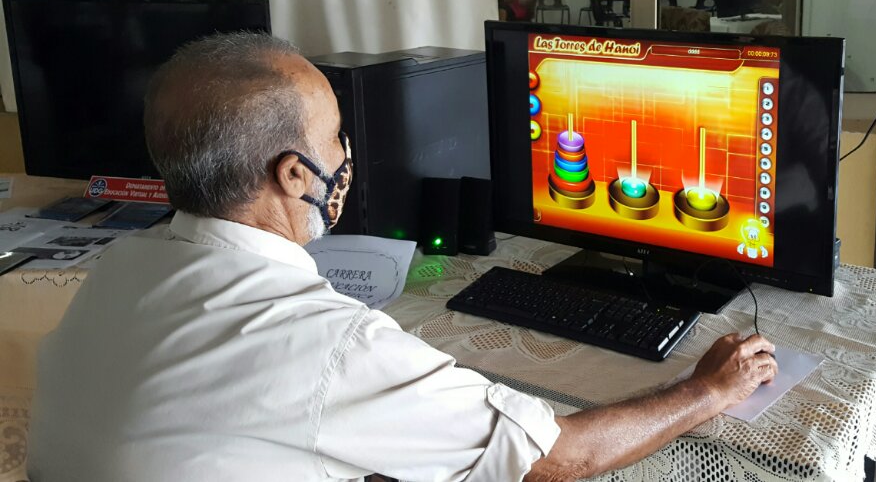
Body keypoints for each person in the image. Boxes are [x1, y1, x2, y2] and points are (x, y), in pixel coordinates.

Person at [28, 32, 777, 482]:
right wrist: (708, 391)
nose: (347, 155)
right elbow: (557, 459)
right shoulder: (332, 346)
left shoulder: (115, 272)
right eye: (335, 139)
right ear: (296, 175)